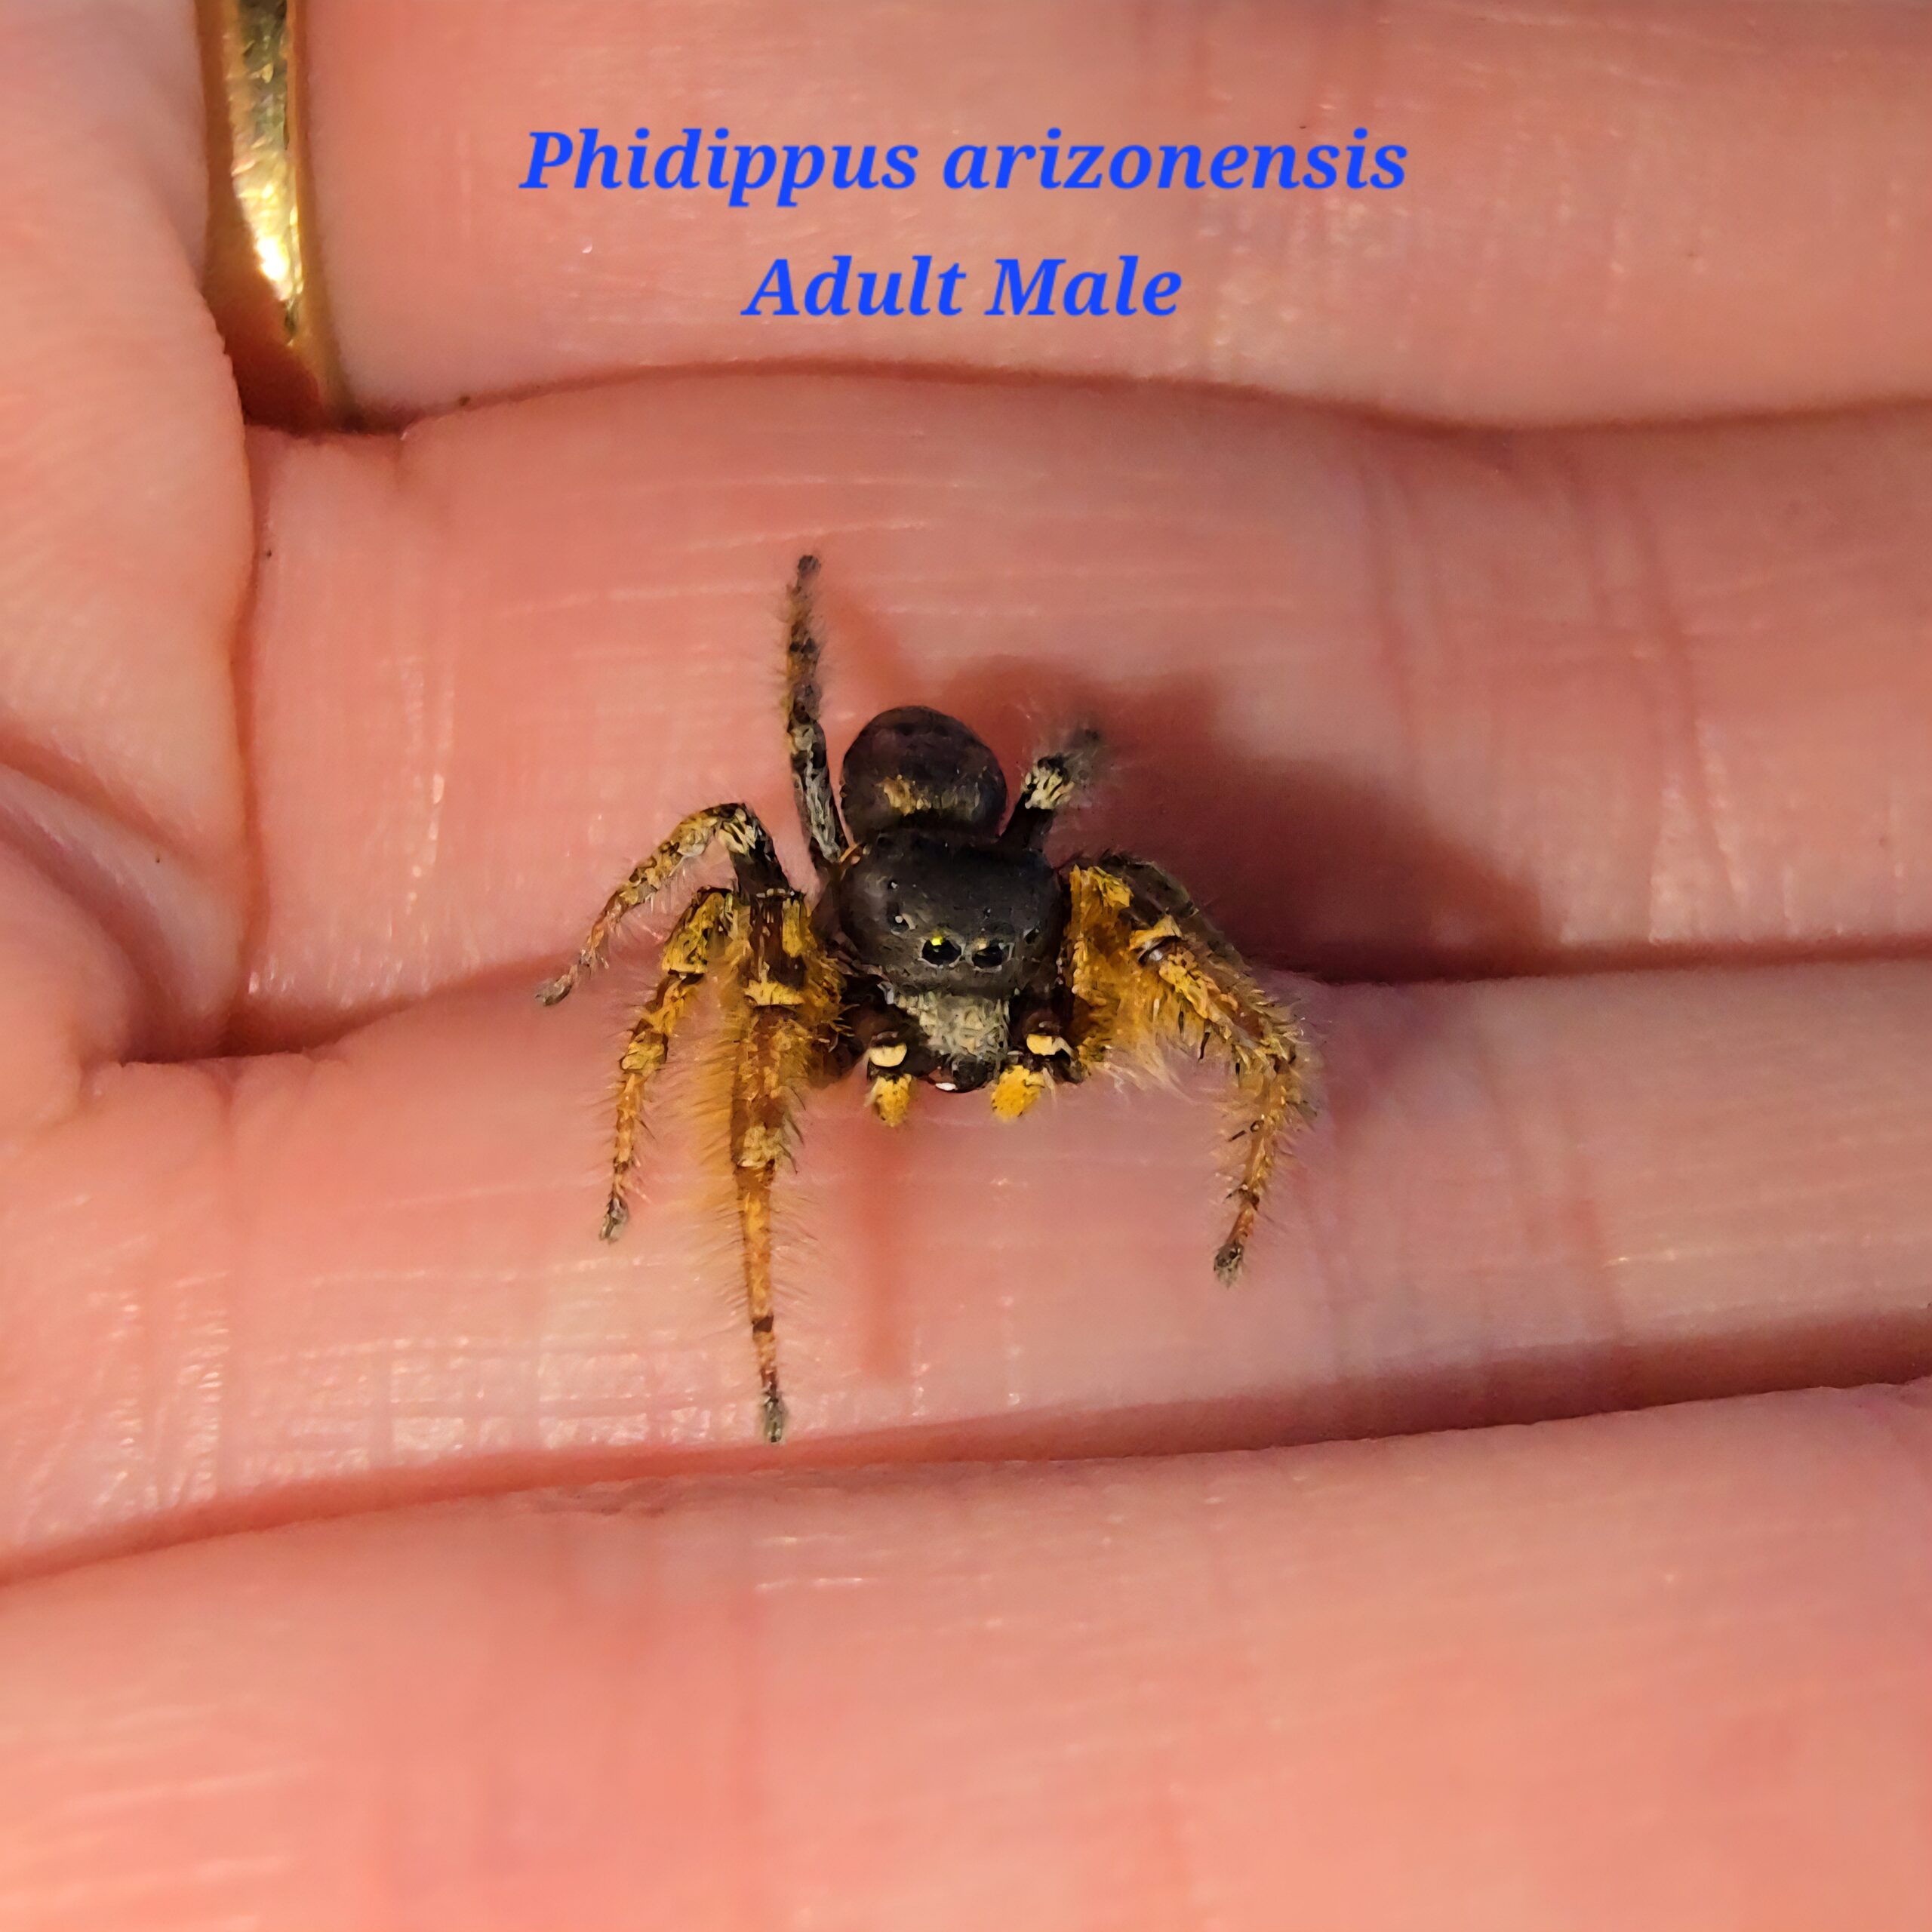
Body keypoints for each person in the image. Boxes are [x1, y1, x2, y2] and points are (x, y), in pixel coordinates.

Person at [0, 1, 1928, 1923]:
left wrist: (1252, 1095)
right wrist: (642, 1073)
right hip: (882, 847)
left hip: (983, 842)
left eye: (979, 1008)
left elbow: (1138, 899)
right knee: (720, 922)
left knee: (1142, 894)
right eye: (941, 1010)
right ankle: (725, 1266)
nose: (952, 1038)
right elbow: (712, 887)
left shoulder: (1052, 913)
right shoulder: (824, 926)